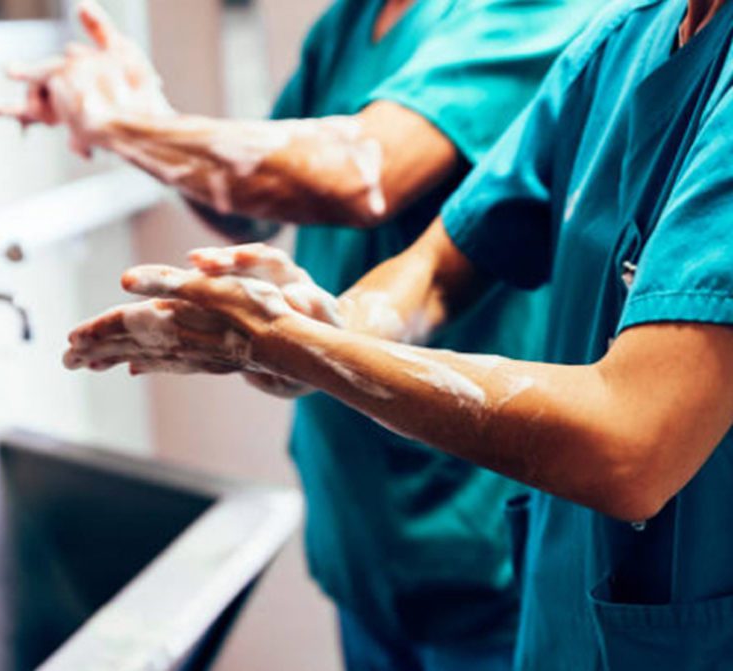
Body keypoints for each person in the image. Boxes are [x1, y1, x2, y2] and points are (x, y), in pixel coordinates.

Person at [65, 0, 733, 668]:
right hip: (529, 608)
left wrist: (306, 347)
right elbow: (441, 265)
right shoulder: (621, 43)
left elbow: (630, 446)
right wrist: (329, 323)